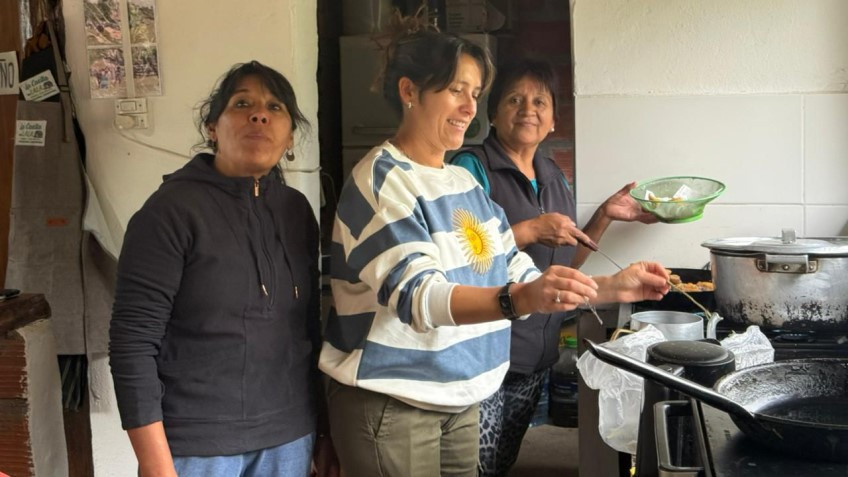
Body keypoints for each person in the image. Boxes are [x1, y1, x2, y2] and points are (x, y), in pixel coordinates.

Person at [319, 14, 669, 477]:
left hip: (463, 393)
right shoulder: (383, 179)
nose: (468, 107)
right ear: (409, 91)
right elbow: (418, 296)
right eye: (455, 90)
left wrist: (612, 288)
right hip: (395, 400)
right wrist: (518, 298)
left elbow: (515, 268)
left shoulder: (462, 181)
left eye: (475, 94)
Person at [109, 61, 338, 477]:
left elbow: (308, 332)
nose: (259, 114)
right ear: (213, 127)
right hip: (197, 448)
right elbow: (132, 344)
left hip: (288, 439)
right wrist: (155, 462)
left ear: (289, 137)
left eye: (275, 106)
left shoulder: (296, 213)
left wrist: (322, 434)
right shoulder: (170, 212)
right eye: (242, 103)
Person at [450, 57, 658, 476]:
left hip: (535, 355)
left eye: (540, 101)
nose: (528, 109)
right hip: (484, 354)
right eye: (515, 99)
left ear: (552, 121)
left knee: (504, 458)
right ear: (492, 113)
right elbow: (456, 258)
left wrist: (604, 216)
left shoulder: (554, 176)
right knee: (474, 465)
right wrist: (527, 230)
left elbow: (565, 263)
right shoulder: (471, 168)